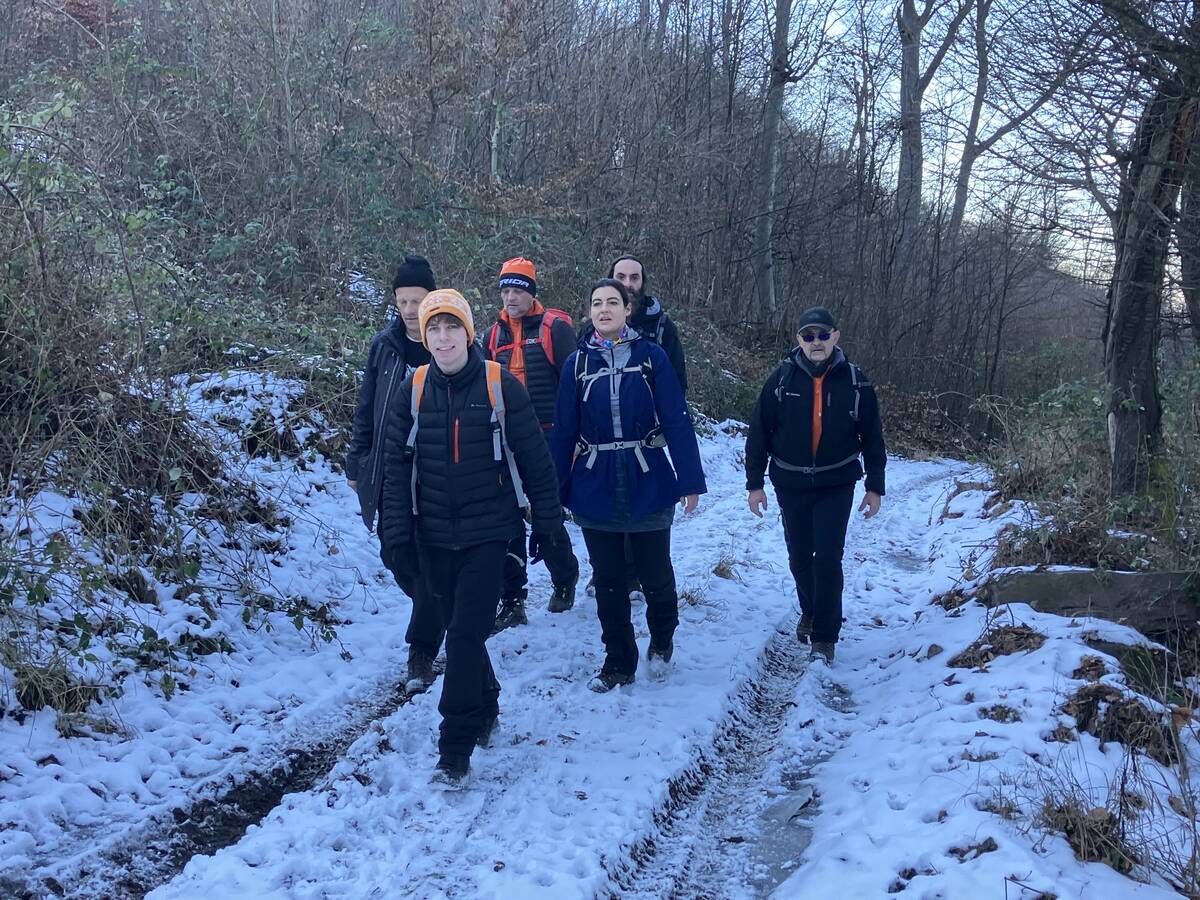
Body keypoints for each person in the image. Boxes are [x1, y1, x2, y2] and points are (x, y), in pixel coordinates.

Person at [379, 289, 564, 788]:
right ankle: (486, 703)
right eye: (434, 329)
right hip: (432, 537)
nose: (443, 338)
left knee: (463, 636)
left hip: (490, 535)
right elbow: (394, 470)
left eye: (452, 327)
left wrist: (550, 527)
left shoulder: (501, 386)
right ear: (426, 336)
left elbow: (536, 462)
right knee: (460, 631)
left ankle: (453, 750)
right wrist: (395, 535)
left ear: (468, 332)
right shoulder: (413, 390)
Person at [549, 278, 707, 692]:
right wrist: (554, 491)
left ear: (627, 310)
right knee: (608, 580)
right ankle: (618, 661)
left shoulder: (652, 357)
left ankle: (663, 635)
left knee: (656, 576)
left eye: (612, 302)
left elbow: (676, 419)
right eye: (597, 303)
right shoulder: (577, 365)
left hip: (648, 478)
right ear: (589, 312)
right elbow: (563, 431)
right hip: (596, 483)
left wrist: (690, 479)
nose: (604, 309)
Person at [744, 307, 886, 665]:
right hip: (789, 481)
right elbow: (759, 432)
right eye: (809, 336)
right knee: (798, 556)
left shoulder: (856, 382)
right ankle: (810, 609)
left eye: (823, 335)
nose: (816, 342)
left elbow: (873, 437)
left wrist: (875, 486)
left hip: (836, 483)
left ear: (835, 336)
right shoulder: (781, 379)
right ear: (799, 340)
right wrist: (754, 483)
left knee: (827, 557)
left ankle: (824, 636)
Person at [344, 255, 442, 694]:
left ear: (432, 299)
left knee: (429, 558)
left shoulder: (451, 341)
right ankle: (440, 603)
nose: (408, 309)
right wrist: (357, 460)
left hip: (439, 471)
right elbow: (367, 406)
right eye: (402, 300)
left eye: (416, 300)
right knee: (396, 553)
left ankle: (421, 652)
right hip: (391, 469)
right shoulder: (384, 345)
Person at [482, 257, 581, 627]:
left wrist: (576, 437)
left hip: (549, 436)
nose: (510, 298)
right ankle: (513, 598)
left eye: (517, 291)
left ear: (531, 293)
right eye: (505, 290)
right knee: (506, 518)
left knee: (545, 514)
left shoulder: (555, 329)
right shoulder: (492, 336)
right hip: (504, 439)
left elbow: (576, 386)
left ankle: (565, 577)